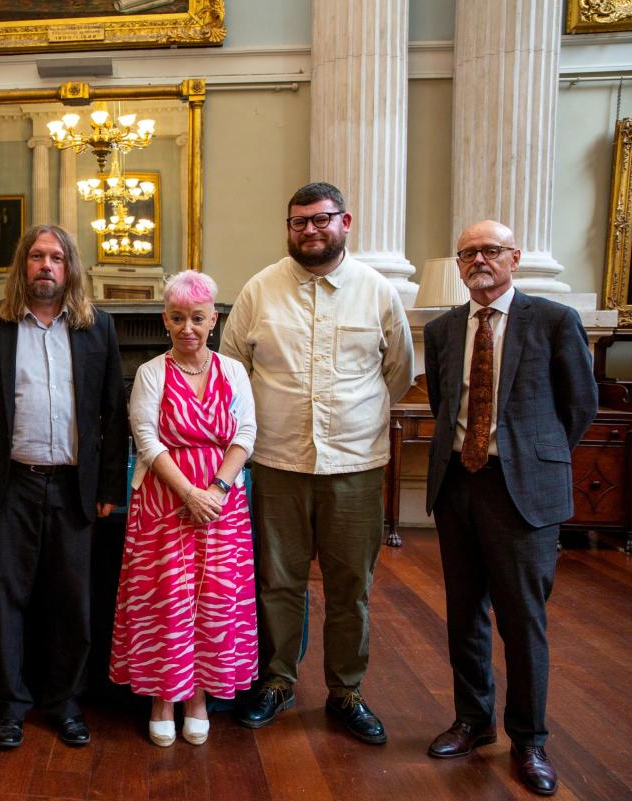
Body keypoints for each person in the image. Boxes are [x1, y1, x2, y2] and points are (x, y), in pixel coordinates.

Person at [220, 182, 413, 743]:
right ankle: (278, 681)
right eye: (299, 221)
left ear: (344, 221)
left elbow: (397, 373)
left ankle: (346, 691)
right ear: (288, 227)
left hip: (354, 464)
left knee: (350, 585)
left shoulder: (377, 292)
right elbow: (234, 374)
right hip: (279, 461)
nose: (310, 230)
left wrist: (358, 419)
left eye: (321, 220)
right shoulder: (260, 290)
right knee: (278, 582)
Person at [423, 220, 597, 796]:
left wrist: (532, 459)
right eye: (468, 252)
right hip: (458, 488)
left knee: (523, 620)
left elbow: (579, 405)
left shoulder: (553, 321)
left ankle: (530, 740)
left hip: (521, 490)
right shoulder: (447, 328)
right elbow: (445, 402)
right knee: (464, 613)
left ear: (514, 257)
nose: (479, 260)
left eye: (490, 250)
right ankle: (473, 721)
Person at [0, 224, 127, 749]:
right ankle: (9, 704)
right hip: (8, 485)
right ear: (21, 266)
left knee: (71, 600)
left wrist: (109, 487)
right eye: (36, 257)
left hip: (75, 486)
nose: (45, 266)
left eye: (56, 257)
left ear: (69, 268)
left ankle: (66, 701)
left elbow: (112, 413)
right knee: (4, 598)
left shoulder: (97, 328)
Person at [109, 271, 257, 747]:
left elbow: (246, 435)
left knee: (215, 599)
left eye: (197, 318)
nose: (187, 327)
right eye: (177, 318)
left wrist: (214, 489)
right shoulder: (153, 372)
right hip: (164, 499)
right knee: (166, 600)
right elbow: (146, 439)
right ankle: (162, 699)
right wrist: (189, 493)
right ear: (165, 321)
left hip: (223, 501)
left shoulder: (233, 371)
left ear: (213, 319)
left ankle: (198, 698)